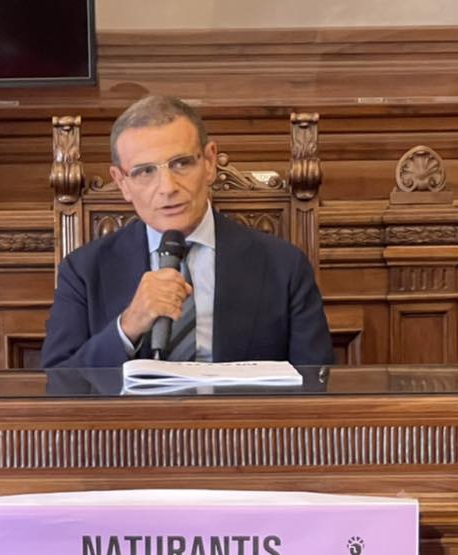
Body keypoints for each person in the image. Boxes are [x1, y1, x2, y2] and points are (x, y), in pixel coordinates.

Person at [40, 95, 334, 369]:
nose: (167, 188)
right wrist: (128, 326)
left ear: (209, 162)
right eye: (145, 171)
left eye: (181, 163)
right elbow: (60, 382)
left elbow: (316, 382)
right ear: (122, 183)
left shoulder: (284, 266)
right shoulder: (83, 270)